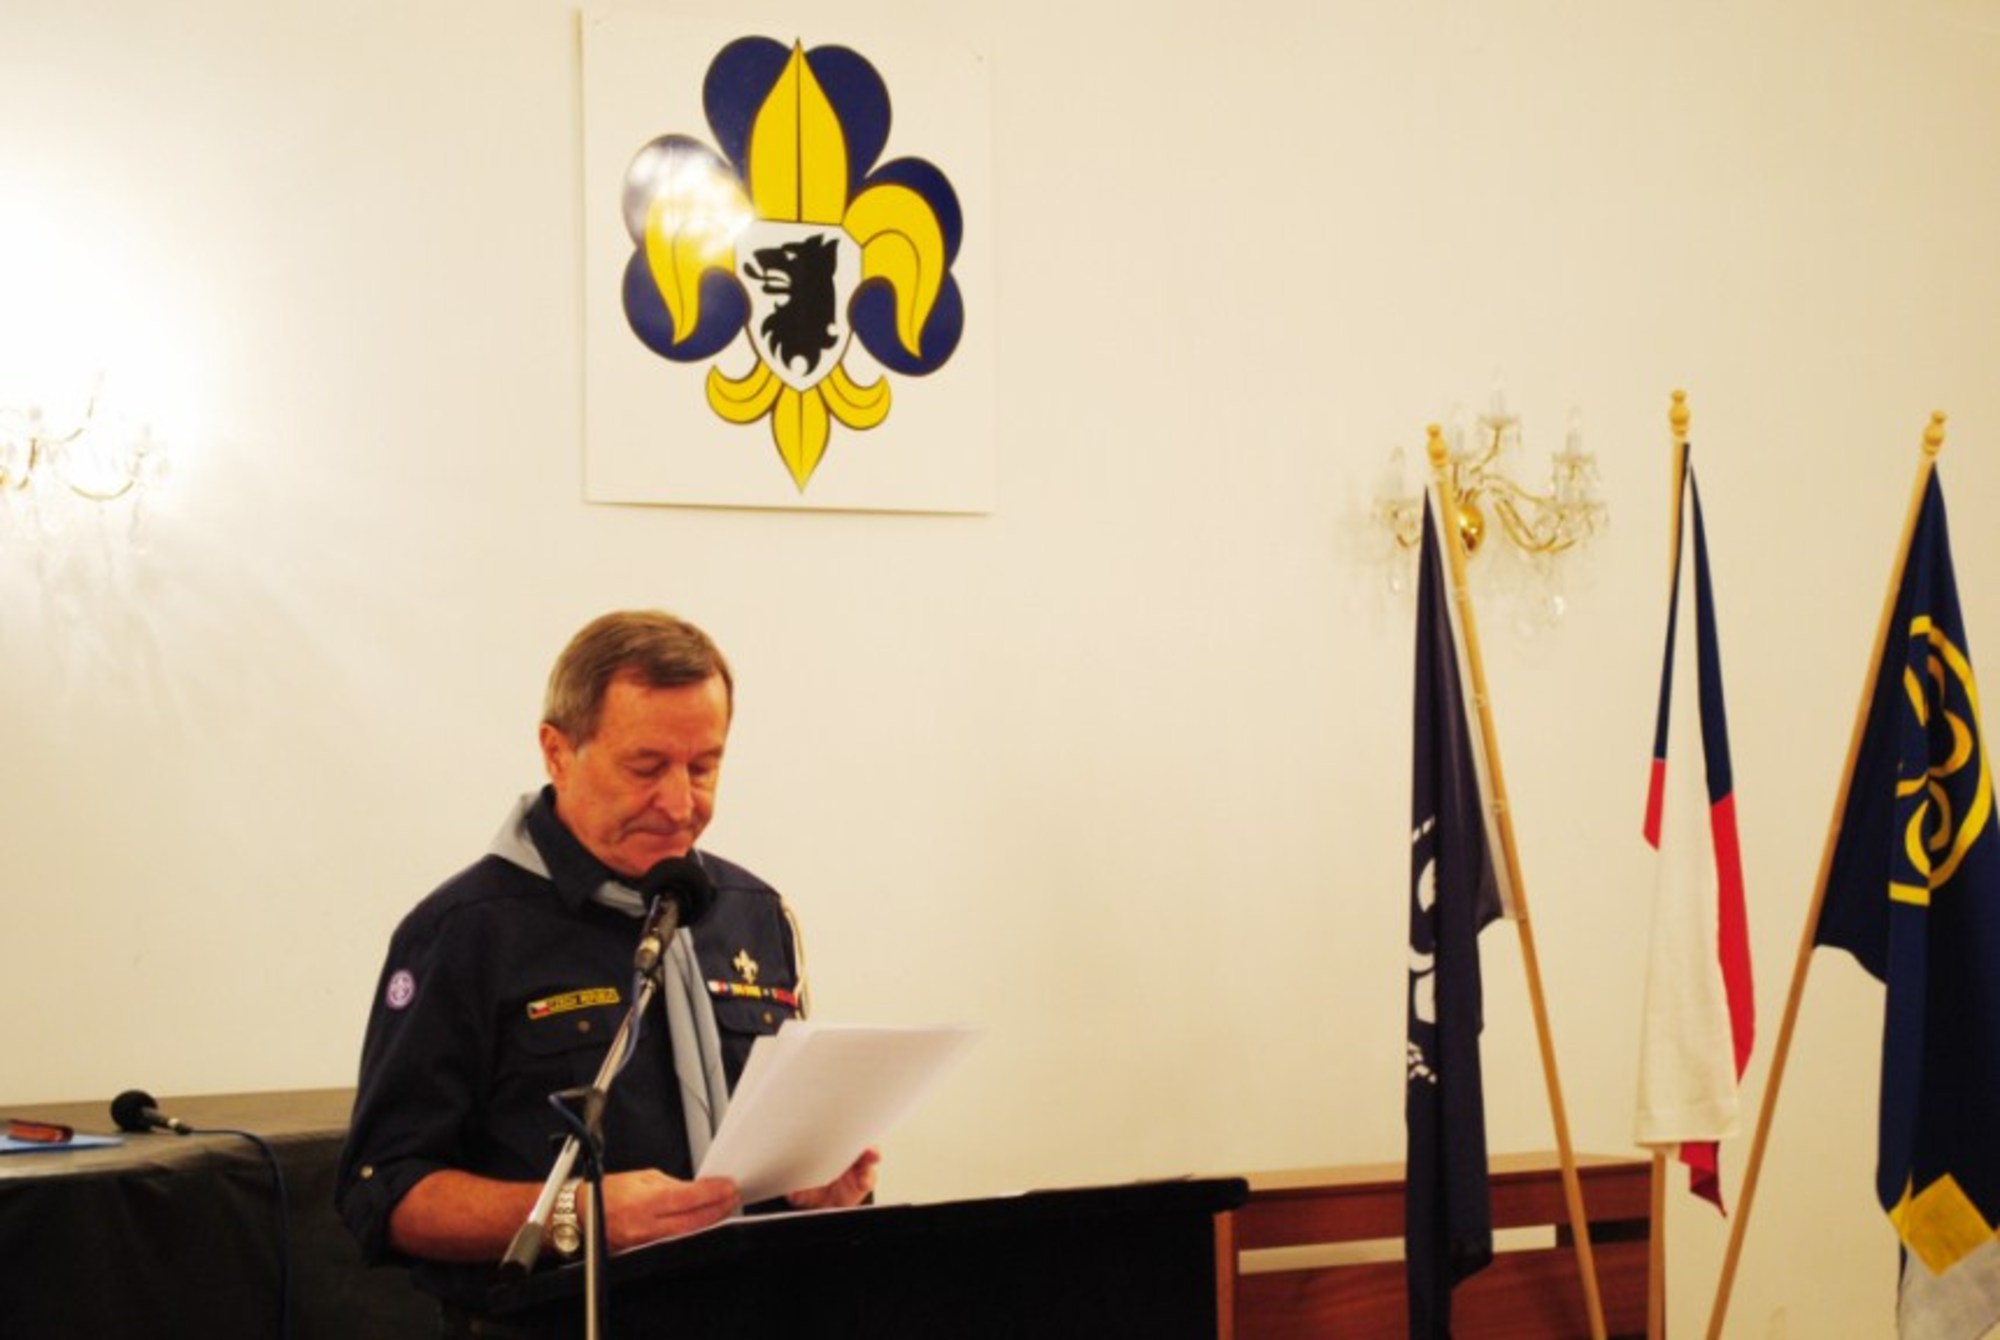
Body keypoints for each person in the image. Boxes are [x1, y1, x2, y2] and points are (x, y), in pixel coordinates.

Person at [337, 610, 876, 1330]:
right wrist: (575, 1214)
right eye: (646, 768)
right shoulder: (464, 932)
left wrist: (822, 1191)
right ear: (557, 752)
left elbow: (783, 1152)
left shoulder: (755, 913)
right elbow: (385, 1194)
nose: (680, 804)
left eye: (704, 767)